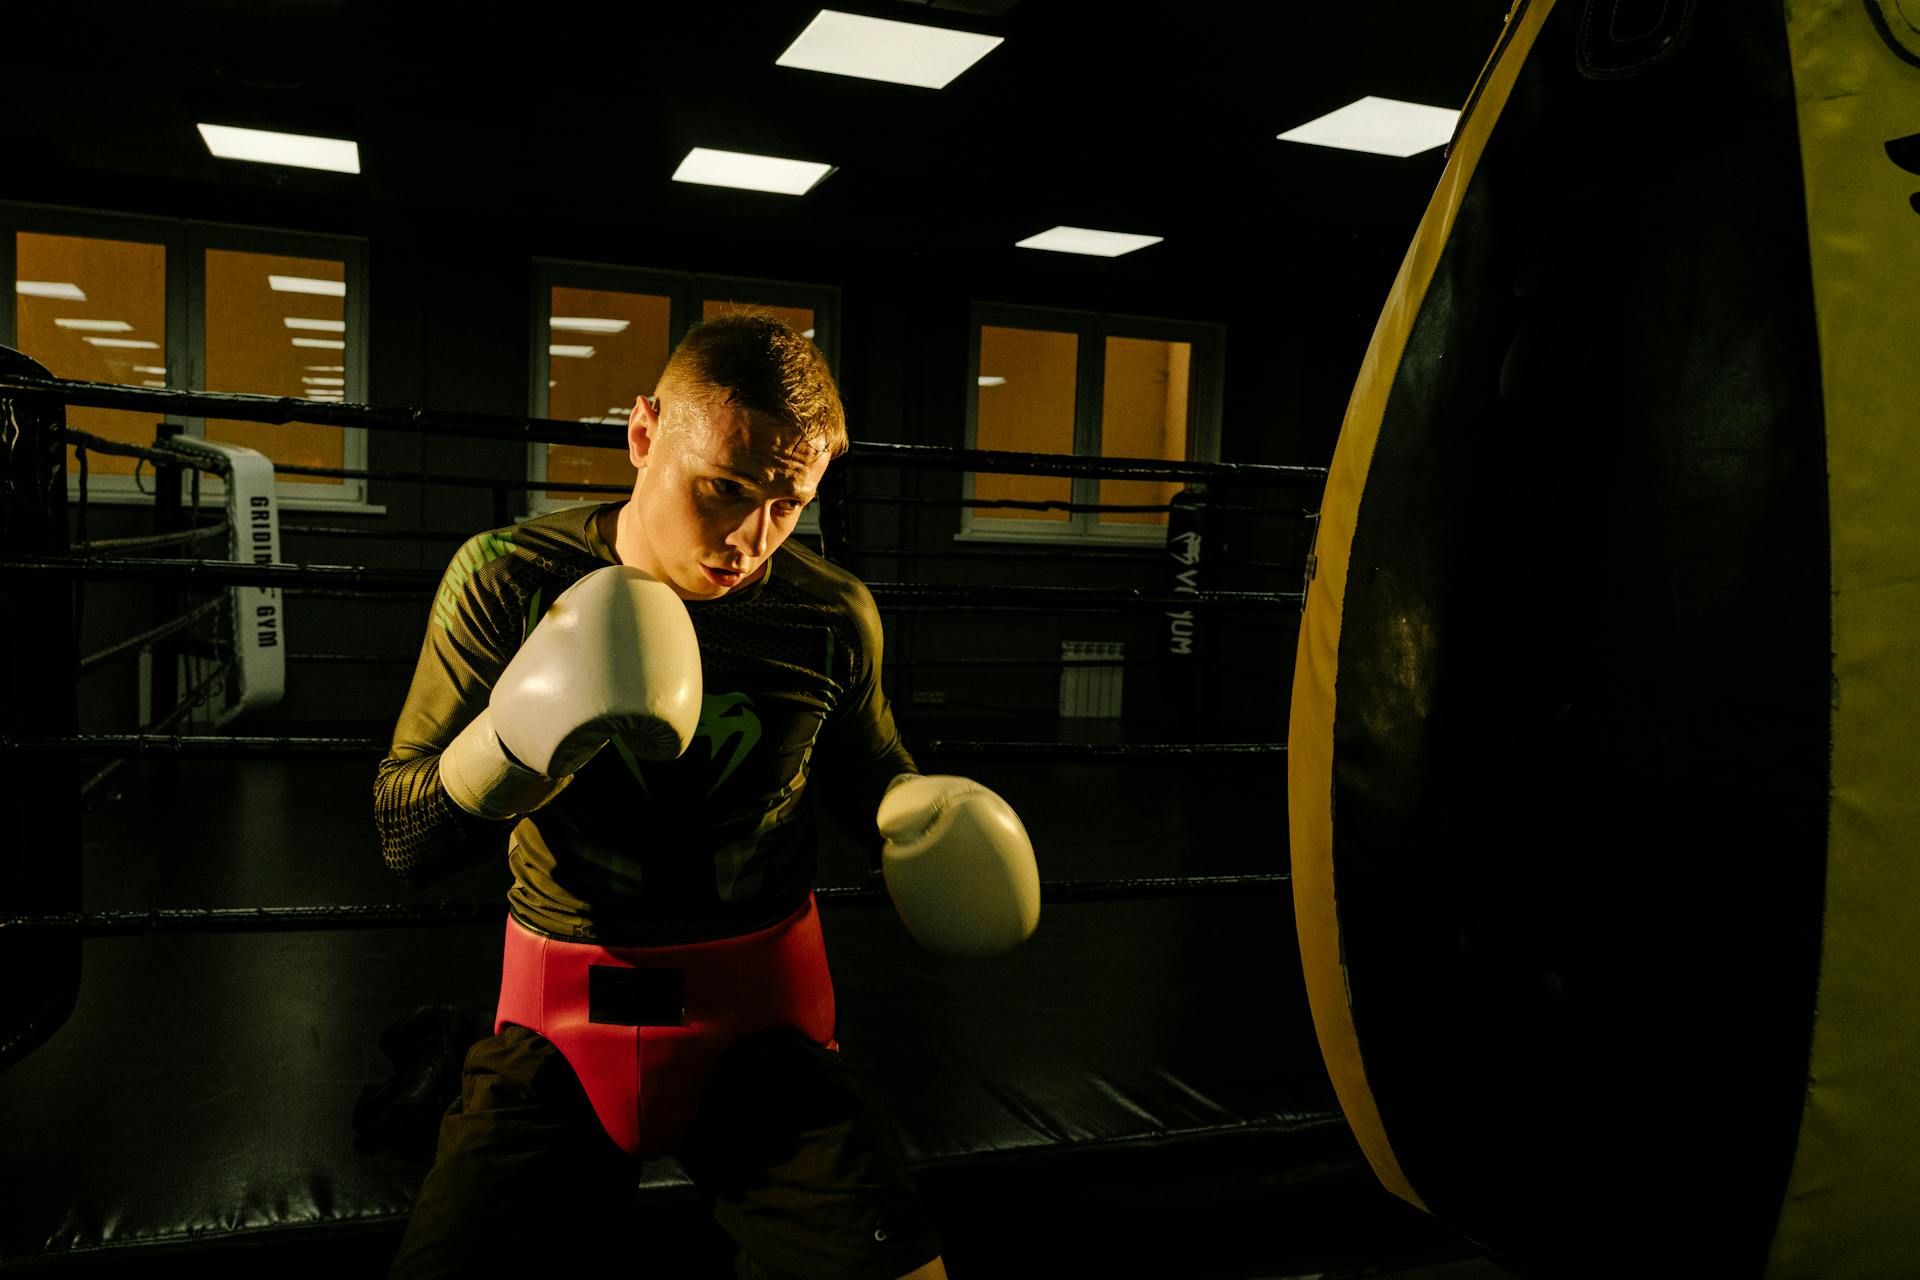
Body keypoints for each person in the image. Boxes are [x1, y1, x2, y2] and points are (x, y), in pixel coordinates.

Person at [372, 311, 1041, 1279]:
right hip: (557, 1026)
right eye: (721, 489)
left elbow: (869, 777)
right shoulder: (513, 577)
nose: (748, 537)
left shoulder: (826, 610)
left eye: (788, 502)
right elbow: (407, 835)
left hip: (762, 1025)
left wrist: (920, 808)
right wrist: (515, 738)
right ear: (644, 433)